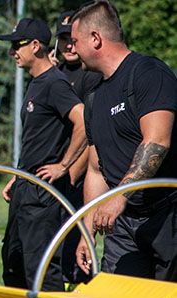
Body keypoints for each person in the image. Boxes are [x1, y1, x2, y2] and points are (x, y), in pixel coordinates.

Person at [71, 0, 177, 281]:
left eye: (74, 41)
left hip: (167, 216)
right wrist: (87, 229)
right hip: (124, 226)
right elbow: (95, 169)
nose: (71, 49)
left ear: (95, 39)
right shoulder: (94, 97)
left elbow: (157, 141)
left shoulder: (148, 73)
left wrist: (119, 197)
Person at [0, 18, 87, 291]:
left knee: (42, 270)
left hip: (42, 193)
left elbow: (83, 120)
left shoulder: (54, 83)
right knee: (13, 263)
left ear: (35, 46)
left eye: (17, 45)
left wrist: (63, 165)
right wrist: (18, 175)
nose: (13, 52)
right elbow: (36, 140)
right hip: (25, 185)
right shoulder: (35, 83)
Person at [52, 9, 104, 286]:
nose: (68, 46)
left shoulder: (90, 77)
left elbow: (89, 131)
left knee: (76, 243)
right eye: (63, 39)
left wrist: (72, 172)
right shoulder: (55, 74)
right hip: (55, 171)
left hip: (76, 175)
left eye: (72, 39)